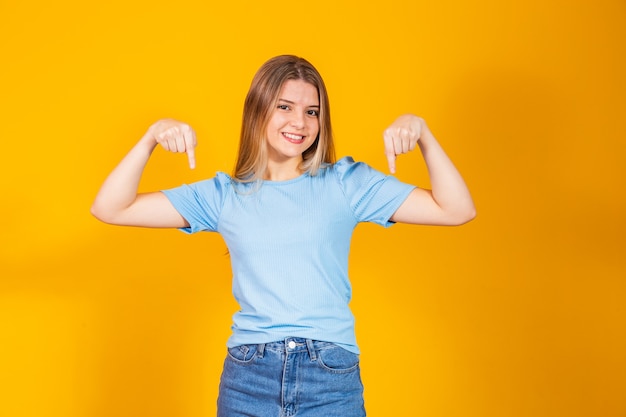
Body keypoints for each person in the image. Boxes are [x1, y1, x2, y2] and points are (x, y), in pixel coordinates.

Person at [91, 55, 475, 417]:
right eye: (285, 106)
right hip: (248, 377)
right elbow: (111, 208)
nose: (300, 123)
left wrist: (422, 132)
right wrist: (151, 138)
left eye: (312, 112)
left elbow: (457, 209)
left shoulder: (346, 183)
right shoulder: (223, 195)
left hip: (329, 377)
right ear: (258, 108)